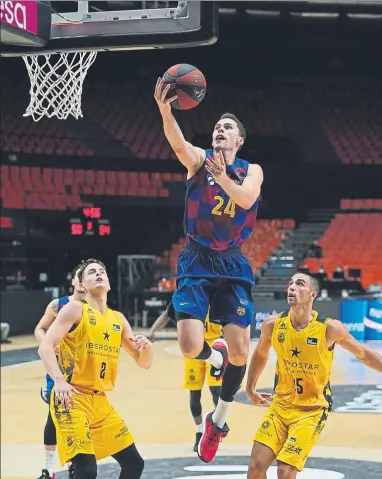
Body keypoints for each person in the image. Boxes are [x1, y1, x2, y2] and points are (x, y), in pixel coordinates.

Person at [154, 78, 263, 463]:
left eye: (228, 127)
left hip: (232, 261)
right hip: (197, 258)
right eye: (217, 125)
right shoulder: (199, 161)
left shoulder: (252, 170)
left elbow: (247, 198)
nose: (220, 129)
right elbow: (178, 144)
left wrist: (222, 178)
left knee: (239, 350)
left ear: (239, 141)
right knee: (188, 345)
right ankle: (211, 359)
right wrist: (167, 113)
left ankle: (219, 420)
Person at [246, 273, 382, 479]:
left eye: (299, 284)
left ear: (313, 294)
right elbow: (260, 353)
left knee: (285, 471)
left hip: (311, 410)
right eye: (291, 284)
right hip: (280, 406)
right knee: (256, 467)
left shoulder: (329, 328)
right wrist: (250, 387)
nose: (292, 287)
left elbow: (363, 354)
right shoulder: (273, 324)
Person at [38, 259, 152, 479]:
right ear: (81, 285)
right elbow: (45, 347)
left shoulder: (117, 319)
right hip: (72, 399)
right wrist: (59, 380)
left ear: (109, 283)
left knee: (134, 464)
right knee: (87, 471)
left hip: (99, 401)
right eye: (91, 272)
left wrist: (146, 347)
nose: (98, 274)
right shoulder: (74, 309)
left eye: (102, 271)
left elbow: (144, 362)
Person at [147, 304, 223, 451]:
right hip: (193, 347)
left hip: (214, 344)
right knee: (194, 397)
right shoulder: (188, 294)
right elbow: (167, 313)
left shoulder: (217, 291)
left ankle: (216, 426)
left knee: (217, 392)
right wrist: (152, 330)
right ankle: (199, 431)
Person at [34, 263, 86, 479]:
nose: (83, 282)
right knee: (54, 419)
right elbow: (39, 328)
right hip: (61, 370)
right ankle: (48, 469)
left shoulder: (95, 308)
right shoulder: (59, 305)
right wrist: (48, 343)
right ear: (73, 282)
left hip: (84, 372)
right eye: (79, 277)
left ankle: (75, 464)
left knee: (79, 421)